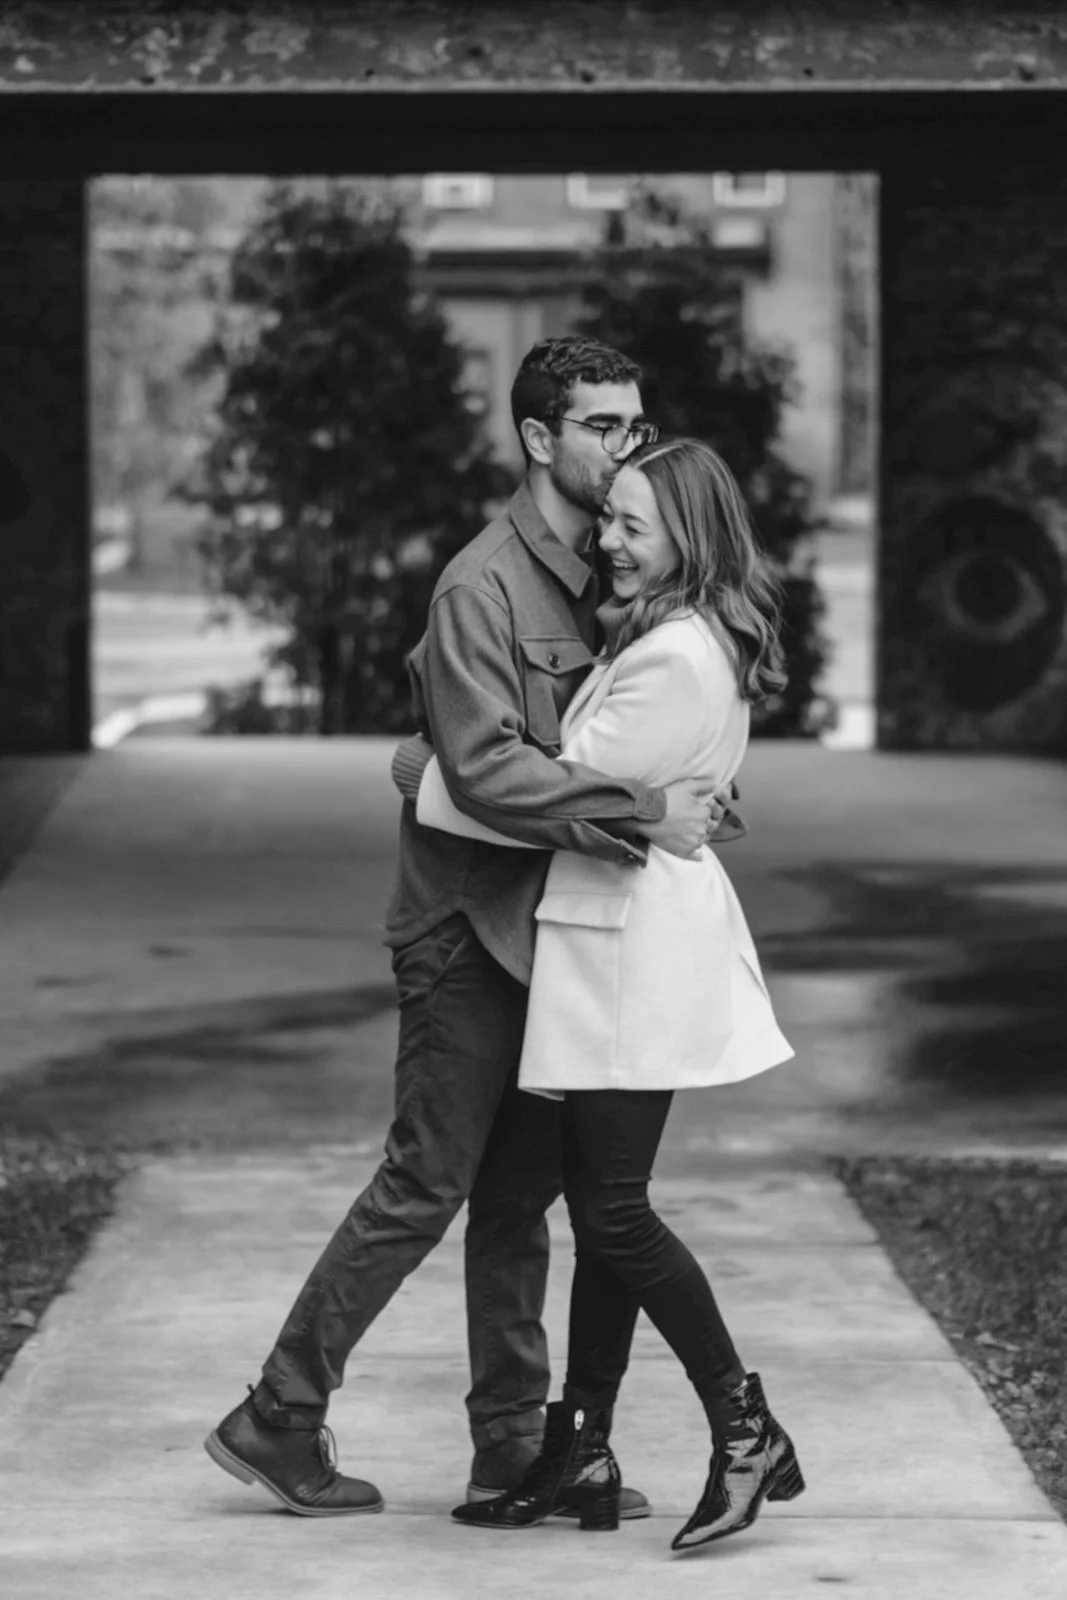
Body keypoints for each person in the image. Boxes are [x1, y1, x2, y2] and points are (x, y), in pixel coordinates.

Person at [204, 337, 738, 1519]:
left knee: (517, 1197)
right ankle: (279, 1413)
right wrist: (642, 809)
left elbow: (603, 735)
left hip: (553, 932)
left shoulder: (612, 571)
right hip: (463, 930)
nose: (625, 446)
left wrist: (681, 787)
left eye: (635, 424)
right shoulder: (481, 586)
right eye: (603, 425)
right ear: (540, 438)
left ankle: (510, 1441)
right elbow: (487, 771)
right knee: (425, 1180)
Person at [407, 436, 803, 1553]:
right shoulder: (669, 639)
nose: (609, 541)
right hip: (599, 946)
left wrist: (423, 776)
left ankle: (743, 1428)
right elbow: (612, 794)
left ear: (688, 533)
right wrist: (630, 799)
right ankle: (580, 1441)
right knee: (580, 1200)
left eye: (633, 524)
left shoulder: (673, 654)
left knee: (614, 1208)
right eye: (609, 518)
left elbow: (540, 799)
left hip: (629, 952)